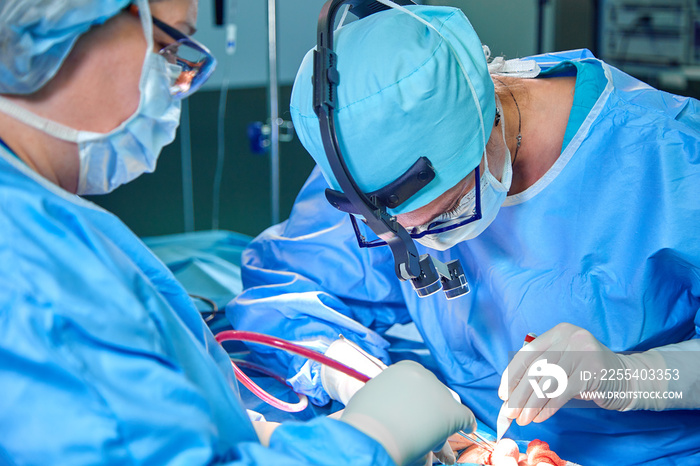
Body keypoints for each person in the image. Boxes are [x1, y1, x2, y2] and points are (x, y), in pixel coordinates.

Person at [0, 1, 476, 464]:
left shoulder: (44, 219)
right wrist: (367, 441)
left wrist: (249, 434)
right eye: (171, 46)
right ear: (63, 22)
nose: (181, 79)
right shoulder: (26, 272)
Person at [227, 3, 700, 466]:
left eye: (449, 210)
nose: (426, 242)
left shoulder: (672, 158)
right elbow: (290, 292)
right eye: (399, 232)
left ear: (489, 123)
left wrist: (630, 379)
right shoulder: (369, 155)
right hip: (470, 438)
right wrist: (362, 382)